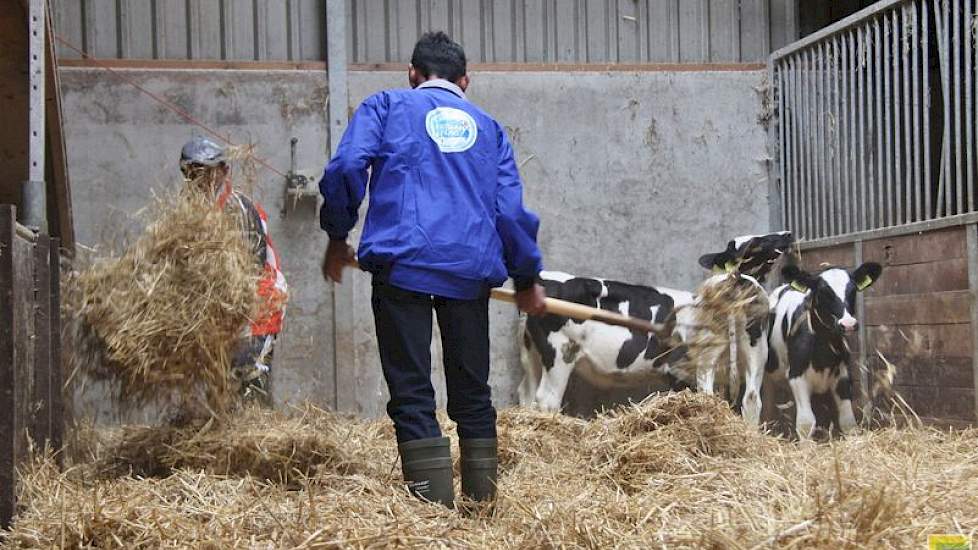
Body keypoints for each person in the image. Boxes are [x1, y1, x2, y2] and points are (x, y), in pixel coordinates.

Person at [319, 31, 547, 508]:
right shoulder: (489, 128)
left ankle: (433, 515)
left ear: (412, 73)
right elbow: (511, 211)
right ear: (465, 81)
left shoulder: (385, 106)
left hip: (402, 270)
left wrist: (339, 234)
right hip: (468, 276)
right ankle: (483, 510)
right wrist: (527, 278)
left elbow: (345, 168)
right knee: (472, 392)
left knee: (412, 391)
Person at [179, 137, 288, 405]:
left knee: (249, 381)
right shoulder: (196, 213)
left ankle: (260, 437)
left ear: (223, 171)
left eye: (206, 171)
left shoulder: (236, 209)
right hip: (225, 312)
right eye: (192, 172)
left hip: (257, 306)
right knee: (224, 387)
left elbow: (247, 270)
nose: (199, 179)